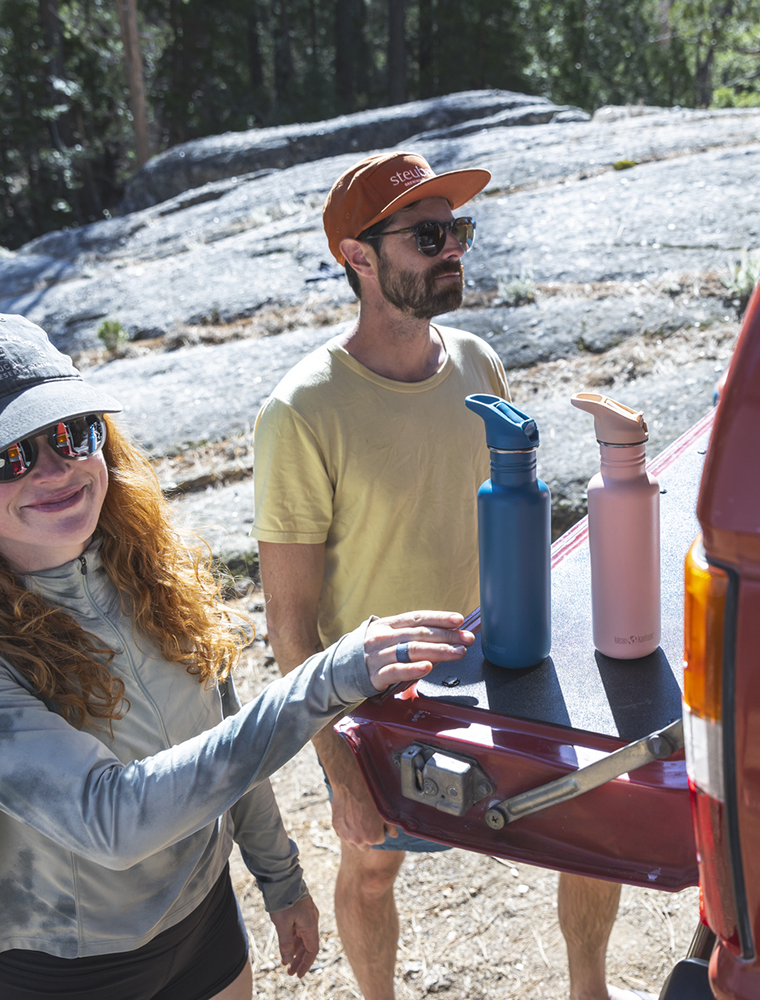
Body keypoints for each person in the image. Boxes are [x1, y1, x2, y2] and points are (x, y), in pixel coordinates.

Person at [0, 311, 476, 1000]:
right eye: (7, 456)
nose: (56, 470)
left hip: (205, 927)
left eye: (72, 432)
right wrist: (324, 679)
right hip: (56, 976)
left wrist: (279, 879)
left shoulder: (147, 567)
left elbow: (225, 732)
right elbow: (111, 821)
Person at [251, 152, 627, 1000]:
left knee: (591, 824)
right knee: (371, 869)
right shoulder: (301, 411)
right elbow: (290, 626)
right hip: (382, 704)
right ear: (358, 257)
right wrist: (340, 772)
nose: (453, 248)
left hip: (503, 668)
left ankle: (589, 991)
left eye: (458, 230)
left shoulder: (478, 362)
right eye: (428, 236)